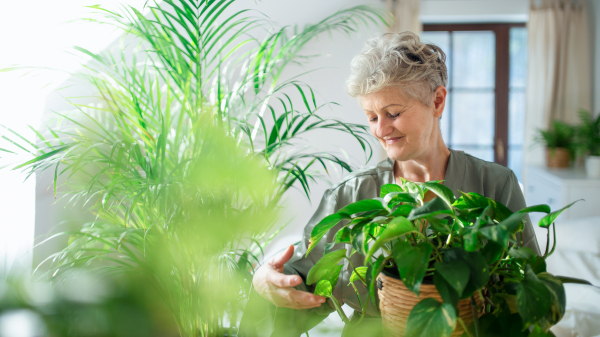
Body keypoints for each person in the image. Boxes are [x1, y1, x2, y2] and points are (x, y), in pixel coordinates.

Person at [239, 32, 540, 337]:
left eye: (393, 113)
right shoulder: (352, 195)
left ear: (436, 102)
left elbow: (528, 290)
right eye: (371, 117)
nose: (381, 130)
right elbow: (300, 275)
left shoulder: (495, 185)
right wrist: (264, 282)